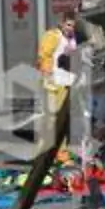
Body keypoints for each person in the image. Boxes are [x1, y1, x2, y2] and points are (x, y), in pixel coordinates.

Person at [36, 12, 79, 153]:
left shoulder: (72, 38)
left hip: (67, 83)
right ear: (61, 23)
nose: (71, 28)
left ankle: (60, 152)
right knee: (51, 119)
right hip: (55, 83)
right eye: (68, 25)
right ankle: (45, 152)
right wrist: (48, 78)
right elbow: (44, 56)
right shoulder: (53, 36)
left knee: (63, 120)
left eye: (73, 25)